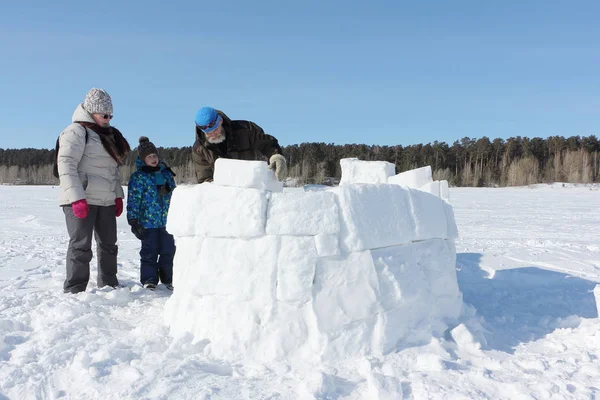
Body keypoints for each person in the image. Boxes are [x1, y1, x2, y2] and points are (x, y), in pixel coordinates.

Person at [57, 88, 131, 294]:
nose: (107, 119)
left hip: (105, 200)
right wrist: (76, 198)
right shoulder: (75, 132)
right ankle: (75, 289)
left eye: (110, 115)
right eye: (103, 115)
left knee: (109, 245)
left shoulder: (108, 136)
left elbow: (112, 170)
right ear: (91, 112)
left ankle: (109, 284)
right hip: (81, 200)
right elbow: (66, 164)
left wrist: (117, 196)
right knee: (81, 246)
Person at [127, 137, 177, 291]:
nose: (153, 159)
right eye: (149, 157)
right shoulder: (139, 177)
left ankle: (168, 278)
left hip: (167, 221)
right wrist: (133, 220)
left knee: (168, 251)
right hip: (147, 222)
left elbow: (175, 195)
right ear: (143, 159)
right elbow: (134, 200)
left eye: (154, 156)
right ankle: (149, 279)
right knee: (150, 252)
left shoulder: (166, 173)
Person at [192, 107, 287, 183]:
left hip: (256, 188)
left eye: (215, 130)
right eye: (209, 133)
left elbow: (267, 143)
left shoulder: (246, 130)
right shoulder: (199, 149)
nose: (213, 135)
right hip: (224, 198)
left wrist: (276, 157)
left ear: (220, 121)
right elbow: (205, 180)